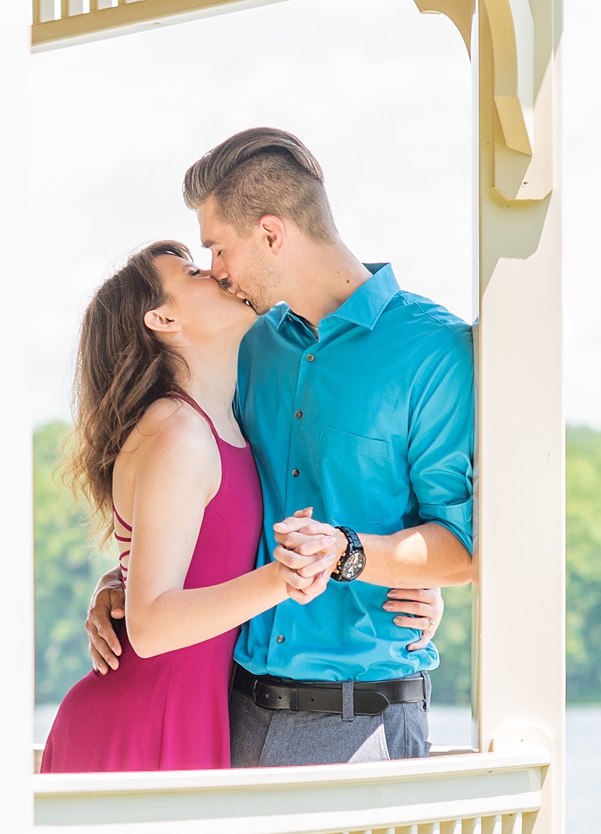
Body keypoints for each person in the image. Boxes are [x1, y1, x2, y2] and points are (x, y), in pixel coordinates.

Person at [87, 126, 474, 765]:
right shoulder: (248, 345)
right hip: (228, 711)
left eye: (217, 248)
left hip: (361, 721)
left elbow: (466, 548)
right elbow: (203, 502)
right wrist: (124, 578)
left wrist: (356, 556)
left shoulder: (434, 352)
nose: (215, 271)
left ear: (271, 234)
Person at [41, 240, 328, 772]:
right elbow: (149, 628)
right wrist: (286, 577)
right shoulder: (179, 432)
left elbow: (197, 558)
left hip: (182, 717)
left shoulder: (218, 425)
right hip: (139, 724)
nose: (218, 274)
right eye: (194, 271)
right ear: (163, 317)